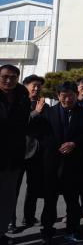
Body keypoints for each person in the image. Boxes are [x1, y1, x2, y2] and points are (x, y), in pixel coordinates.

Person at [31, 81, 83, 245]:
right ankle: (47, 234)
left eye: (71, 96)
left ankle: (72, 230)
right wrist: (56, 146)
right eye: (64, 96)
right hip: (52, 164)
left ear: (76, 95)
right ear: (58, 96)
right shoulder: (48, 112)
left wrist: (74, 143)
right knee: (50, 202)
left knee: (72, 201)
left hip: (74, 164)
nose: (67, 99)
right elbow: (40, 136)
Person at [9, 74, 47, 233]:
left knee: (33, 188)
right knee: (13, 189)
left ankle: (29, 216)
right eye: (34, 85)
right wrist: (36, 112)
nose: (36, 88)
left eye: (39, 86)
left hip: (37, 153)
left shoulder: (43, 104)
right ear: (25, 86)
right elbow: (17, 125)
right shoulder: (18, 102)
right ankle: (10, 221)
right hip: (18, 152)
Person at [0, 64, 31, 245]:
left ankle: (1, 232)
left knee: (7, 198)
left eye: (13, 77)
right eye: (4, 76)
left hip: (13, 156)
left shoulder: (22, 97)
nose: (8, 80)